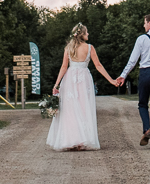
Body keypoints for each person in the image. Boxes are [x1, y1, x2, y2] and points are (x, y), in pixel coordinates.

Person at [46, 23, 118, 151]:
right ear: (82, 34)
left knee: (70, 110)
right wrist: (111, 80)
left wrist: (56, 84)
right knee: (84, 108)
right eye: (87, 32)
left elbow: (64, 67)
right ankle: (81, 141)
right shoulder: (89, 48)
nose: (88, 34)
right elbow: (98, 65)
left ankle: (71, 140)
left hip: (70, 79)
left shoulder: (68, 48)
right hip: (84, 79)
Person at [114, 14, 150, 149]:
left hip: (145, 73)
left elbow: (133, 60)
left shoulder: (141, 39)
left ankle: (147, 129)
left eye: (145, 23)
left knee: (142, 104)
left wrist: (123, 75)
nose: (144, 25)